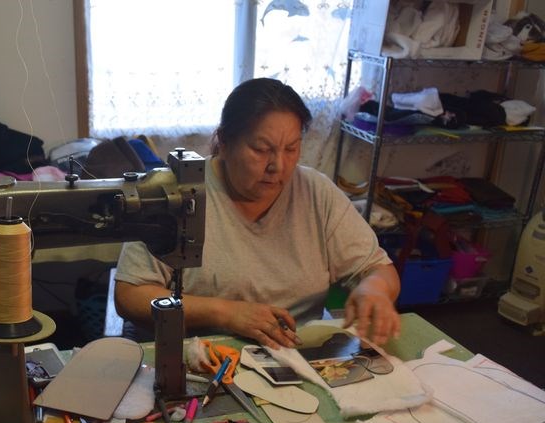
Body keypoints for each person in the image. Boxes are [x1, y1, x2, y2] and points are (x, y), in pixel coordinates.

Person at [114, 78, 401, 348]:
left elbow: (378, 269)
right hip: (201, 354)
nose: (278, 165)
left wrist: (374, 290)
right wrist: (224, 314)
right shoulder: (179, 191)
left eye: (291, 148)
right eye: (261, 149)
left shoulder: (316, 193)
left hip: (293, 355)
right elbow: (129, 294)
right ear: (224, 142)